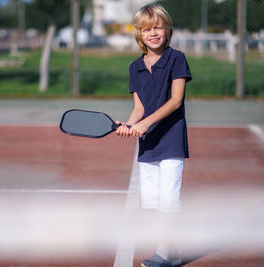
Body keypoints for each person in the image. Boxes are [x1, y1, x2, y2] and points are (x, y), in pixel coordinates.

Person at [115, 3, 192, 267]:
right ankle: (173, 251)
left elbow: (175, 101)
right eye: (147, 29)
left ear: (167, 29)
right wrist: (128, 125)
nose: (153, 33)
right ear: (139, 34)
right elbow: (139, 108)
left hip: (171, 141)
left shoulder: (177, 58)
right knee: (155, 204)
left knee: (169, 200)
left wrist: (145, 124)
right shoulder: (134, 67)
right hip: (148, 147)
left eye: (158, 27)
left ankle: (162, 253)